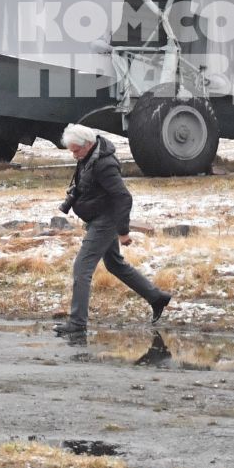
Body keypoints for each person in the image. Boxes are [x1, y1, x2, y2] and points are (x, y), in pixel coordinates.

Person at [55, 123, 170, 338]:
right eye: (71, 150)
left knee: (82, 267)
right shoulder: (88, 158)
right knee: (115, 264)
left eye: (76, 150)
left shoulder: (104, 164)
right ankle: (157, 298)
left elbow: (123, 197)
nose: (73, 155)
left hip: (105, 221)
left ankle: (77, 323)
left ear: (88, 144)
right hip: (97, 218)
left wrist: (123, 231)